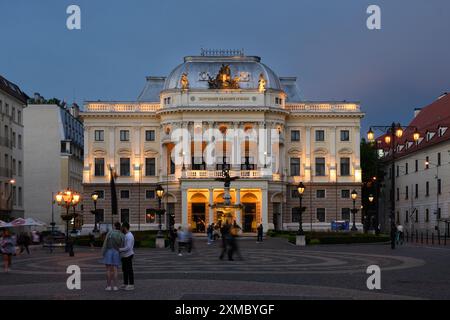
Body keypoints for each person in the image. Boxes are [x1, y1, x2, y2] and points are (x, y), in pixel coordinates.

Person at [101, 222, 124, 291]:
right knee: (116, 270)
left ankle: (108, 286)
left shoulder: (110, 233)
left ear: (114, 226)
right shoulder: (121, 234)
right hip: (116, 252)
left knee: (108, 270)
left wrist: (103, 252)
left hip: (109, 252)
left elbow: (105, 244)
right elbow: (122, 245)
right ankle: (115, 286)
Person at [119, 222, 135, 291]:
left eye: (122, 227)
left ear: (125, 227)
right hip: (124, 255)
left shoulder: (129, 236)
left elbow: (128, 247)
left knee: (129, 270)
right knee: (125, 270)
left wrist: (119, 249)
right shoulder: (126, 235)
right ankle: (125, 283)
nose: (121, 229)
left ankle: (131, 284)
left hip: (128, 255)